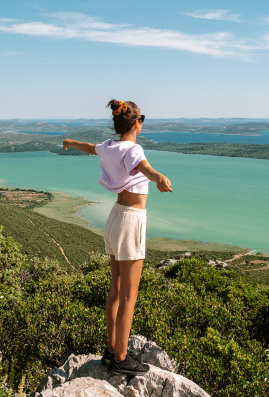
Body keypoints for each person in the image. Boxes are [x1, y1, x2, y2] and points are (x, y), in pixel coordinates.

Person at [62, 99, 172, 376]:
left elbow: (90, 148)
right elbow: (145, 167)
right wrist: (158, 177)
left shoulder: (110, 146)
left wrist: (70, 142)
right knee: (129, 295)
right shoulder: (133, 148)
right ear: (137, 123)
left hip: (114, 218)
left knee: (116, 287)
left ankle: (112, 349)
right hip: (131, 221)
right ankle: (121, 357)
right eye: (142, 119)